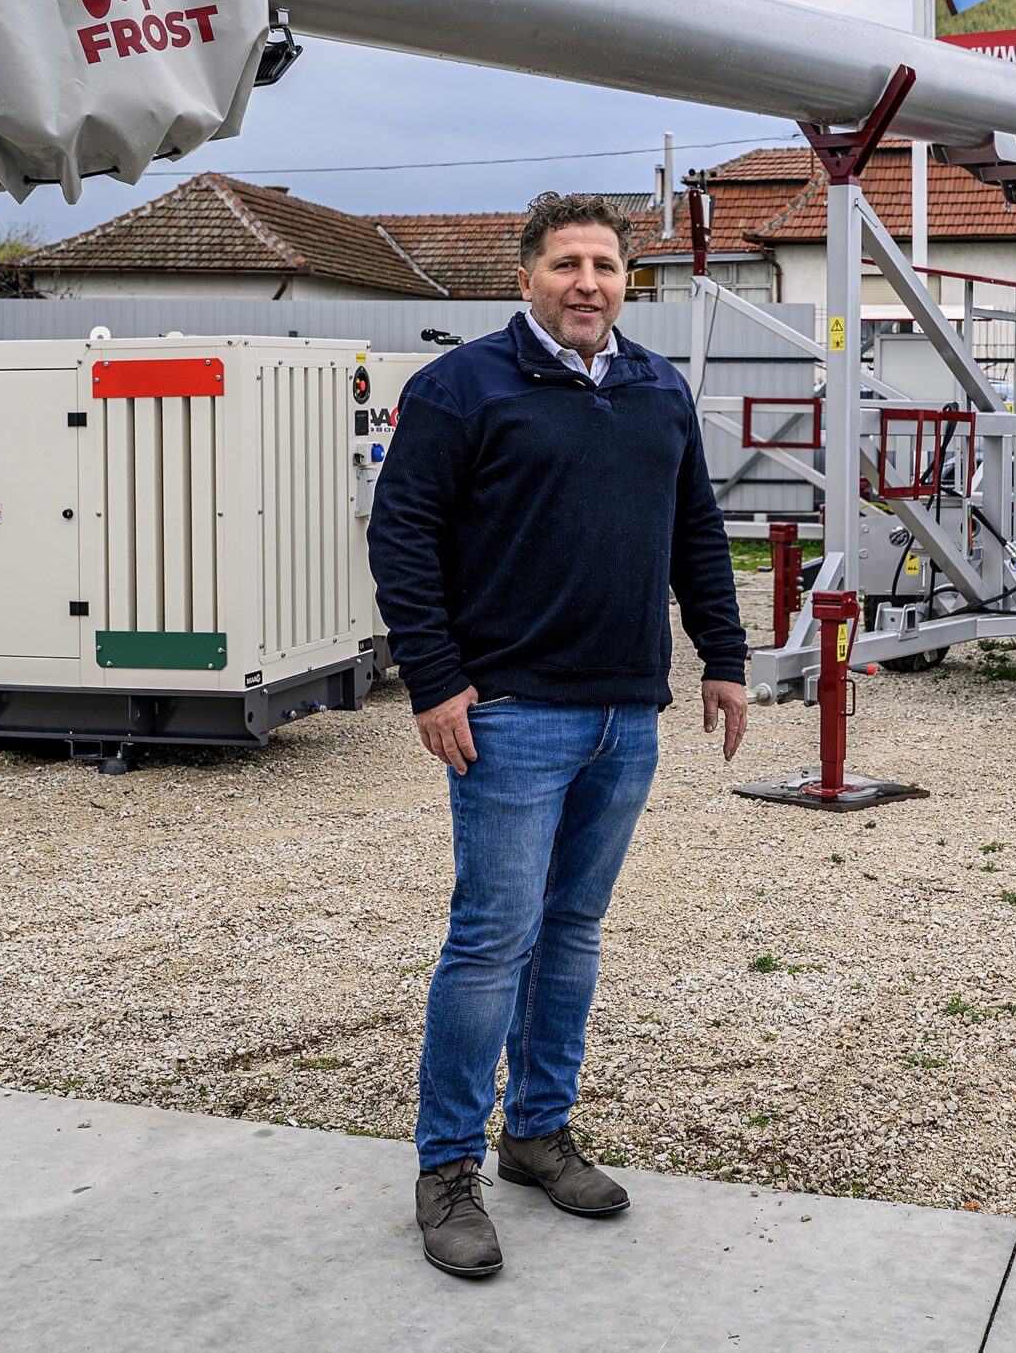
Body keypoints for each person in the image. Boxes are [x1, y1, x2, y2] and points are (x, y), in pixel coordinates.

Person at [366, 191, 749, 1279]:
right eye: (567, 264)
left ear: (632, 281)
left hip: (626, 714)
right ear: (524, 276)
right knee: (492, 941)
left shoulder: (655, 388)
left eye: (607, 266)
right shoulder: (459, 390)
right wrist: (434, 683)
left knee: (572, 930)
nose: (588, 283)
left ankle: (536, 1133)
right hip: (511, 716)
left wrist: (721, 658)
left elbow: (695, 532)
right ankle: (447, 1170)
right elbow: (403, 539)